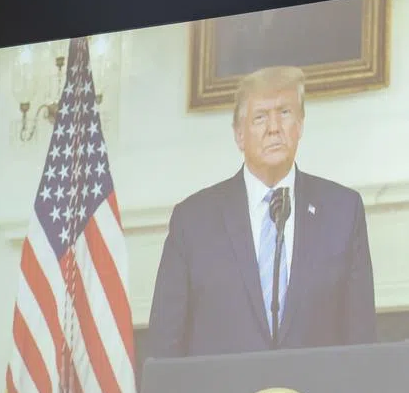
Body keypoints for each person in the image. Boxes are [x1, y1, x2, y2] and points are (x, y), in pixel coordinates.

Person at [147, 65, 376, 360]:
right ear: (239, 135)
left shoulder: (343, 212)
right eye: (260, 117)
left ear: (300, 125)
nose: (273, 128)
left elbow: (362, 340)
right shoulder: (193, 221)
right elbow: (165, 346)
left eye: (284, 113)